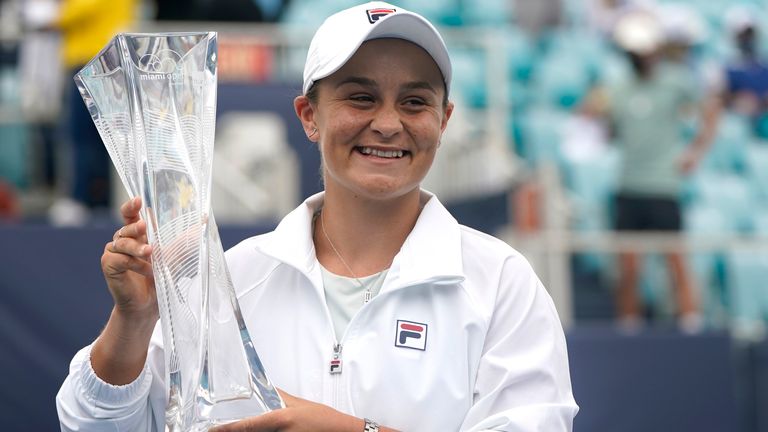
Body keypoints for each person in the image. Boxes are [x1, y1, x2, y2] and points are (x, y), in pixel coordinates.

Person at [56, 2, 578, 431]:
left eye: (415, 102)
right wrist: (134, 320)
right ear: (310, 116)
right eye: (360, 97)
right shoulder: (234, 276)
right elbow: (94, 424)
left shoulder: (500, 281)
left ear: (443, 122)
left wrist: (342, 429)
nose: (389, 124)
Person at [607, 10, 717, 333]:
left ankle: (691, 327)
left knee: (676, 263)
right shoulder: (618, 87)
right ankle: (629, 330)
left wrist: (694, 153)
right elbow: (606, 125)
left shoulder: (676, 81)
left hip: (664, 187)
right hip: (629, 185)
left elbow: (710, 112)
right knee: (628, 269)